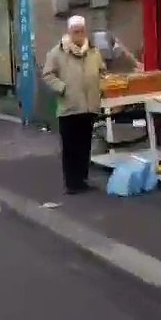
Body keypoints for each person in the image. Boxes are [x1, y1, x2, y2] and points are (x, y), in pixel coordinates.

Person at [41, 15, 104, 194]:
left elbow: (101, 70)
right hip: (69, 106)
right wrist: (62, 88)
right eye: (75, 31)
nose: (79, 35)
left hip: (89, 105)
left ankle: (82, 179)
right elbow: (47, 75)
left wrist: (101, 85)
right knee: (70, 147)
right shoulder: (57, 52)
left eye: (82, 31)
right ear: (69, 32)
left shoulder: (93, 51)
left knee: (85, 145)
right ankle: (71, 183)